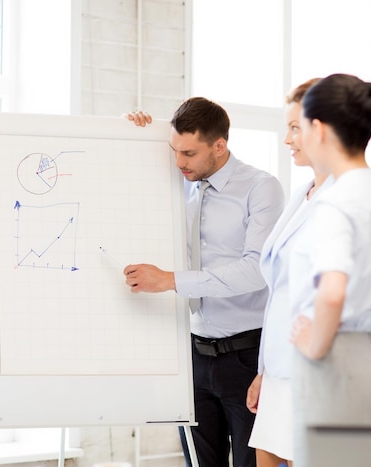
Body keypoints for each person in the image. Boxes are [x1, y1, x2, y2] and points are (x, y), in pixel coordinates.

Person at [124, 97, 285, 467]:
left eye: (189, 153)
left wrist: (170, 281)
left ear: (219, 145)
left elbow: (255, 270)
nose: (179, 162)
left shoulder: (261, 188)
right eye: (175, 151)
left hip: (247, 356)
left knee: (251, 463)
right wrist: (131, 130)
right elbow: (127, 181)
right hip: (192, 355)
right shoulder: (178, 182)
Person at [288, 73, 371, 467]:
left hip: (334, 364)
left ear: (319, 129)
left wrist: (314, 344)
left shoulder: (335, 203)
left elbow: (332, 292)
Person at [245, 78, 332, 467]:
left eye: (295, 128)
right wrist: (265, 369)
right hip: (280, 369)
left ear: (322, 129)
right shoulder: (303, 193)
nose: (287, 139)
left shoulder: (347, 199)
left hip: (315, 374)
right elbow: (279, 293)